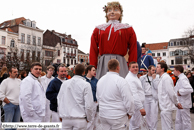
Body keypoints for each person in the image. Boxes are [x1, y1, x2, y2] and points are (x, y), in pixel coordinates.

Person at [89, 1, 137, 79]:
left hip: (120, 61)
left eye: (115, 10)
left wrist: (132, 65)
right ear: (106, 13)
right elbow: (93, 49)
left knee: (121, 84)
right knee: (103, 86)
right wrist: (92, 66)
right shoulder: (98, 29)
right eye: (109, 10)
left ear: (120, 13)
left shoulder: (128, 29)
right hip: (104, 62)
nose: (112, 12)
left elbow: (133, 48)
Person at [97, 59, 134, 129]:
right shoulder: (121, 80)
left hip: (103, 114)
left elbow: (98, 97)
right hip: (117, 116)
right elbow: (128, 99)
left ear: (108, 68)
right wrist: (130, 112)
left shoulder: (100, 80)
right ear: (118, 67)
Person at [57, 64, 94, 130]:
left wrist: (60, 114)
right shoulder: (86, 85)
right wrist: (89, 118)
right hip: (79, 118)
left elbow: (59, 99)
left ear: (74, 72)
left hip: (66, 118)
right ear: (84, 72)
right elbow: (89, 105)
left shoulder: (65, 83)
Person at [155, 62, 182, 130]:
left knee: (167, 127)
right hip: (164, 106)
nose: (156, 68)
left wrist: (177, 102)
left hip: (166, 106)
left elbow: (171, 93)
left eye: (158, 67)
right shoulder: (162, 77)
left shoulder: (166, 78)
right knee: (167, 127)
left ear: (162, 69)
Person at [125, 61, 146, 130]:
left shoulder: (134, 77)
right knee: (134, 126)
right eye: (133, 67)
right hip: (135, 106)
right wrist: (140, 107)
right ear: (129, 68)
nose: (135, 68)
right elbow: (134, 94)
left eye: (136, 67)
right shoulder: (130, 79)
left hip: (137, 106)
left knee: (137, 125)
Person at [139, 65, 159, 130]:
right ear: (149, 70)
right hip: (145, 98)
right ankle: (146, 128)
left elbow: (157, 87)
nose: (154, 71)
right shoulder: (142, 78)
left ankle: (153, 128)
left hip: (153, 98)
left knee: (154, 114)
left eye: (154, 70)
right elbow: (140, 87)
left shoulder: (157, 77)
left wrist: (154, 79)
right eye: (152, 70)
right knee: (146, 114)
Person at [173, 65, 193, 130]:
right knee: (179, 120)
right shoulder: (180, 78)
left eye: (174, 70)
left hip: (184, 104)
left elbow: (190, 89)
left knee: (186, 121)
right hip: (181, 103)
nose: (173, 72)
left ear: (178, 71)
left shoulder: (183, 79)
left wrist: (179, 91)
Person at [84, 65, 98, 130]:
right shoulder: (83, 80)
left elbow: (98, 90)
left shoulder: (96, 80)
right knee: (87, 119)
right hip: (86, 102)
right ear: (89, 71)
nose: (95, 72)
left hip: (94, 102)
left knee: (94, 120)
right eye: (93, 70)